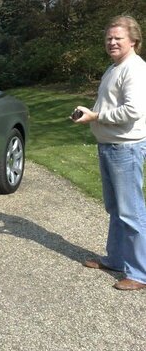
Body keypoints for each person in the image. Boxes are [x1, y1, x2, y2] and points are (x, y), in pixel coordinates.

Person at [72, 15, 146, 290]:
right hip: (111, 146)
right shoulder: (114, 67)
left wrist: (96, 116)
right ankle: (116, 258)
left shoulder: (134, 69)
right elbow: (110, 103)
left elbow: (133, 112)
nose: (112, 42)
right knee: (115, 208)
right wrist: (90, 112)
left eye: (118, 38)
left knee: (131, 212)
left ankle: (140, 273)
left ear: (133, 40)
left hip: (125, 147)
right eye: (109, 38)